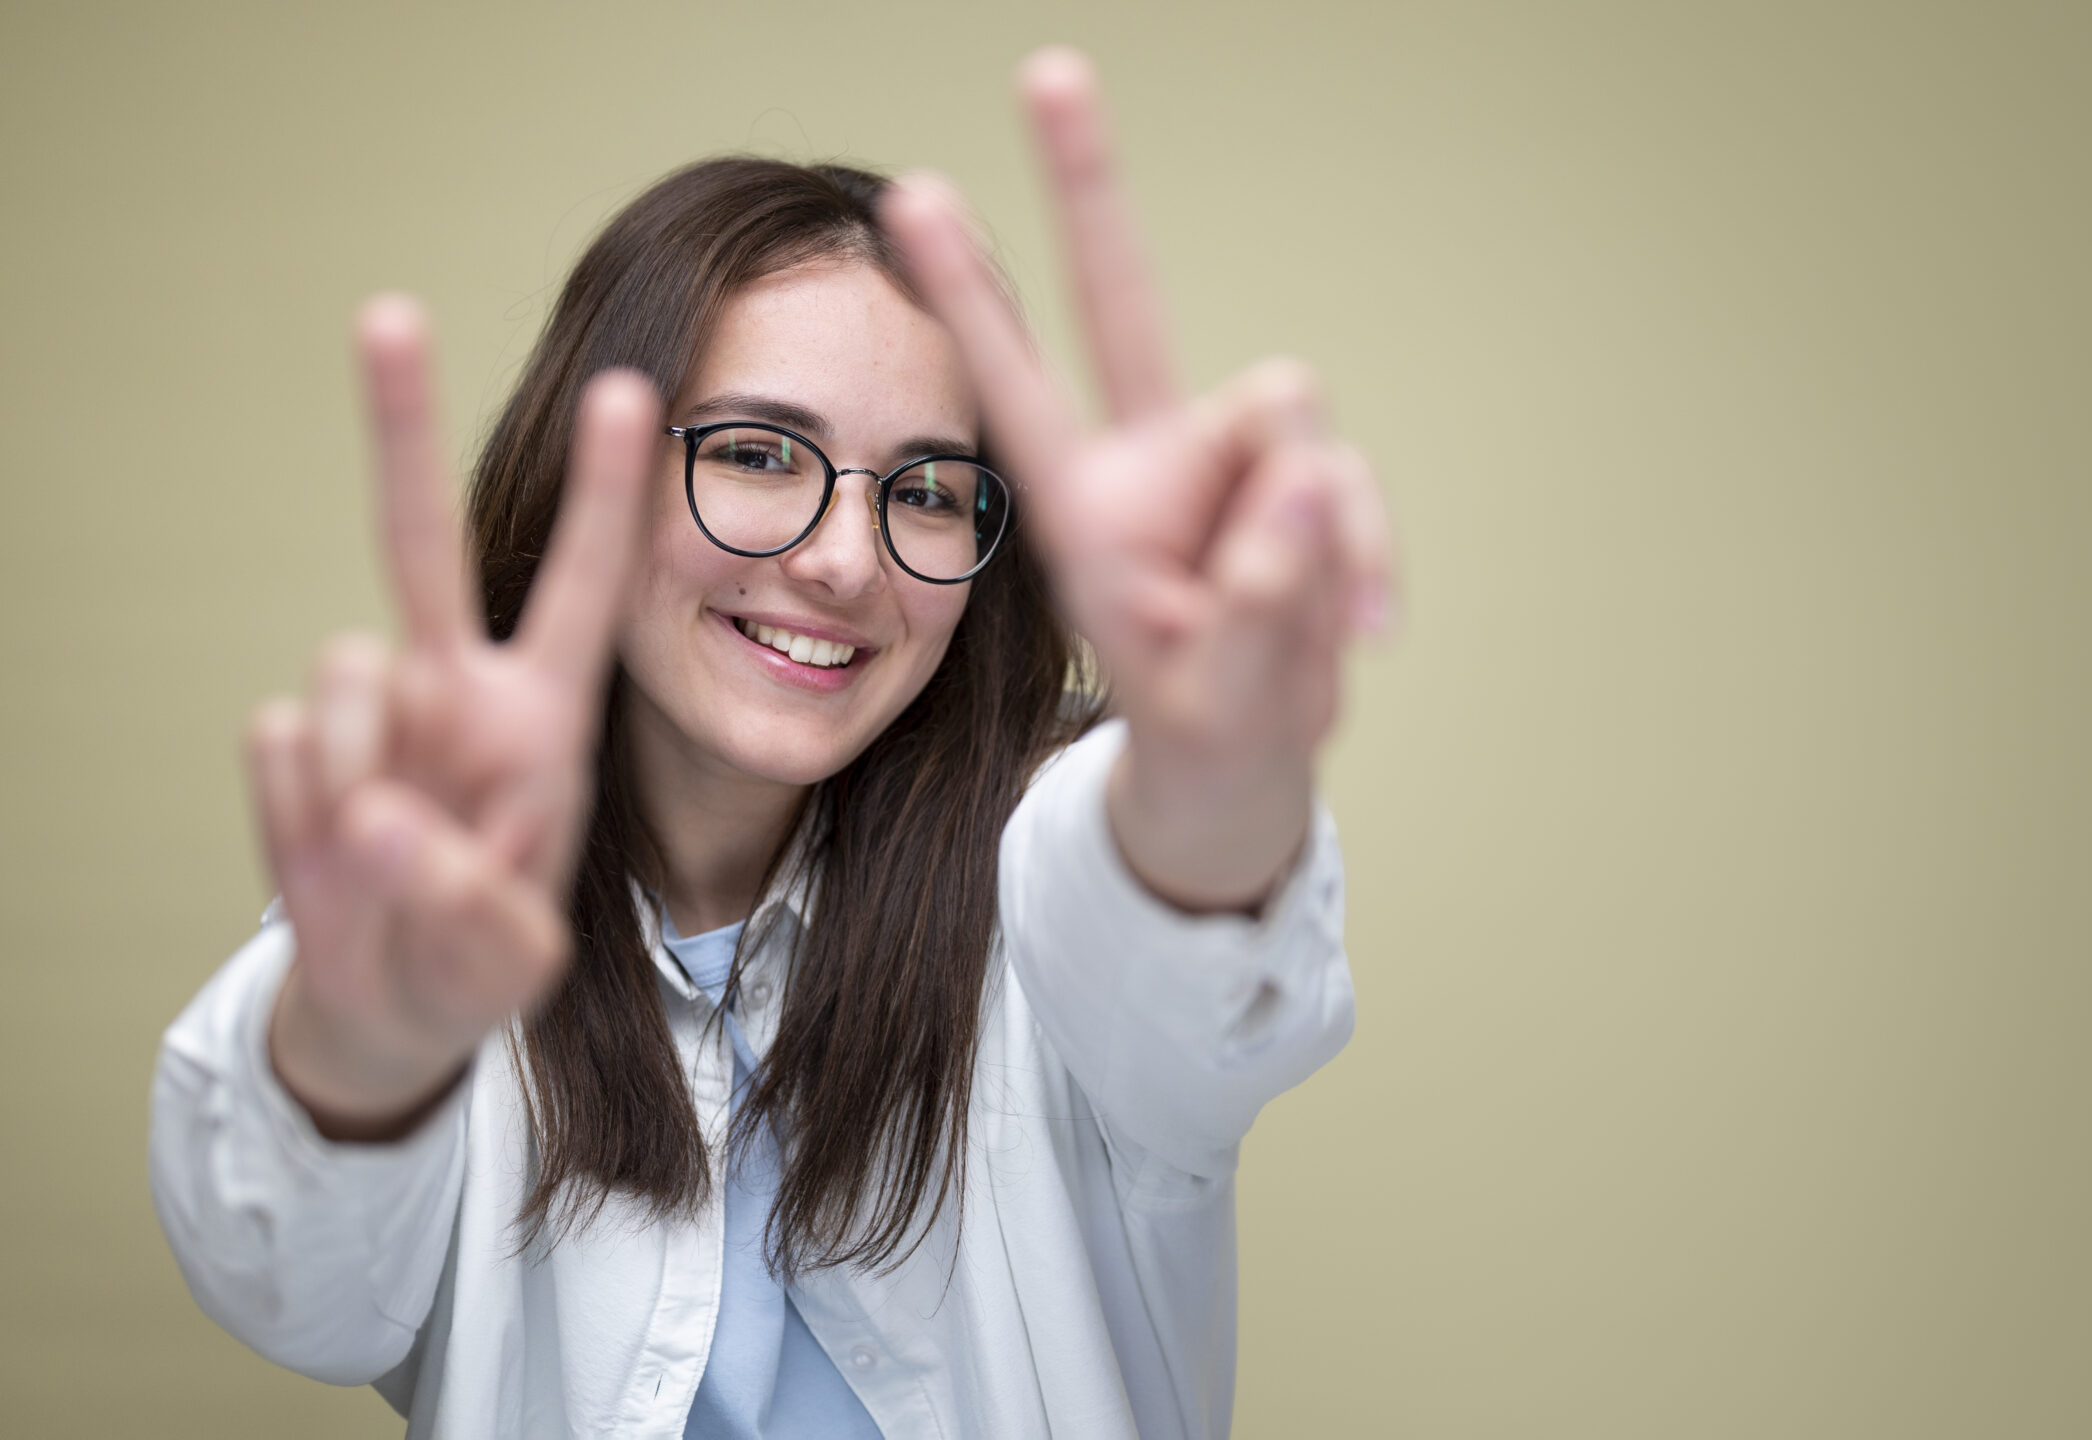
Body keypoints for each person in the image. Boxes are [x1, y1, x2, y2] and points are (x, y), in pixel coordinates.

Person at [147, 47, 1392, 1440]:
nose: (849, 562)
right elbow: (291, 1286)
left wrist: (1213, 790)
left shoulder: (1045, 873)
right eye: (754, 453)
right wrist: (362, 1060)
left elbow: (1176, 963)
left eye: (925, 489)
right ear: (590, 483)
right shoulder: (431, 902)